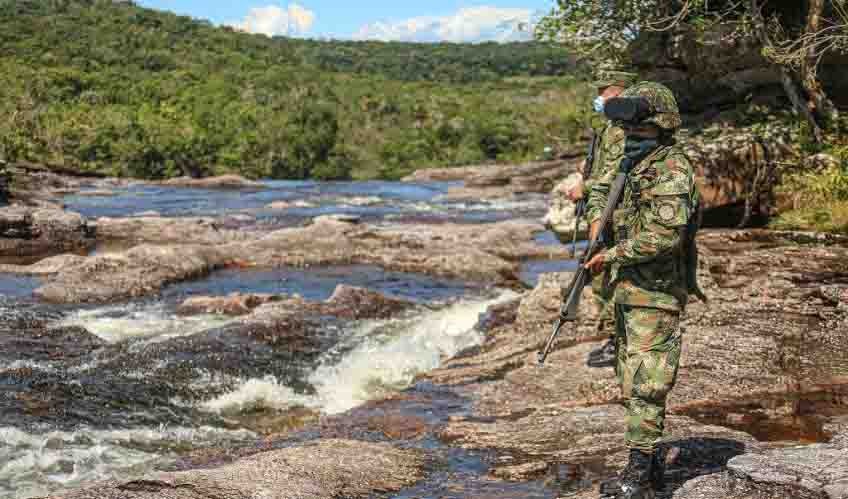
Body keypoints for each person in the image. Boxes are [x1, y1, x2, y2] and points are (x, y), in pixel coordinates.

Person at [584, 82, 697, 499]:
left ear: (661, 129)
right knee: (629, 378)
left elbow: (665, 236)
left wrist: (612, 254)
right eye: (628, 135)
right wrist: (598, 223)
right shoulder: (632, 164)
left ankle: (637, 475)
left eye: (639, 134)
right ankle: (648, 469)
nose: (630, 141)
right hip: (628, 290)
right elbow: (602, 192)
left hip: (656, 291)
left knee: (647, 382)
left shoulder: (671, 168)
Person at [562, 69, 638, 368]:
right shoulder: (610, 128)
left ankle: (619, 338)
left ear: (618, 95)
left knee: (611, 275)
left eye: (604, 93)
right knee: (602, 274)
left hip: (617, 213)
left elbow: (620, 171)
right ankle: (615, 335)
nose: (599, 99)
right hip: (605, 210)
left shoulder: (623, 128)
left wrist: (586, 185)